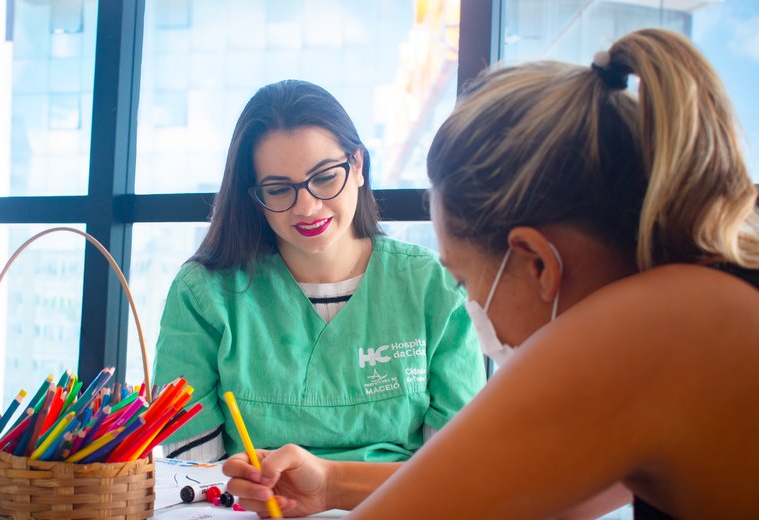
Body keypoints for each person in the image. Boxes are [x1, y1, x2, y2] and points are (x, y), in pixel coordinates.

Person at [222, 29, 759, 519]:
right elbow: (522, 492)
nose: (466, 301)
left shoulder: (647, 330)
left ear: (538, 263)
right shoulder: (705, 298)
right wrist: (334, 483)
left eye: (462, 279)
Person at [152, 79, 483, 464]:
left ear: (357, 164)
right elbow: (195, 477)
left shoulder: (433, 288)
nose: (307, 207)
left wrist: (338, 492)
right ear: (253, 197)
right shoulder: (202, 295)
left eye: (325, 178)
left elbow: (456, 472)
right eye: (278, 190)